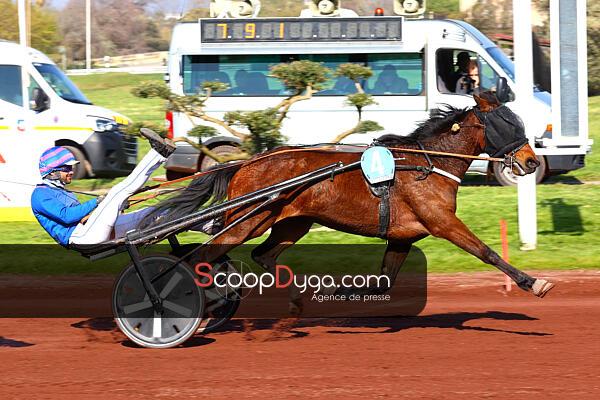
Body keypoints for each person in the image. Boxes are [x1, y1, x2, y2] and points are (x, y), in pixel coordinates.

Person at [31, 129, 176, 246]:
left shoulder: (59, 190)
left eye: (71, 167)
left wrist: (113, 207)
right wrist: (99, 201)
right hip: (81, 237)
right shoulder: (39, 195)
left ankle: (187, 218)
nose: (71, 171)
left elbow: (81, 218)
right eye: (66, 168)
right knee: (117, 192)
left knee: (148, 214)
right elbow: (67, 217)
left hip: (89, 229)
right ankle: (158, 153)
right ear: (52, 172)